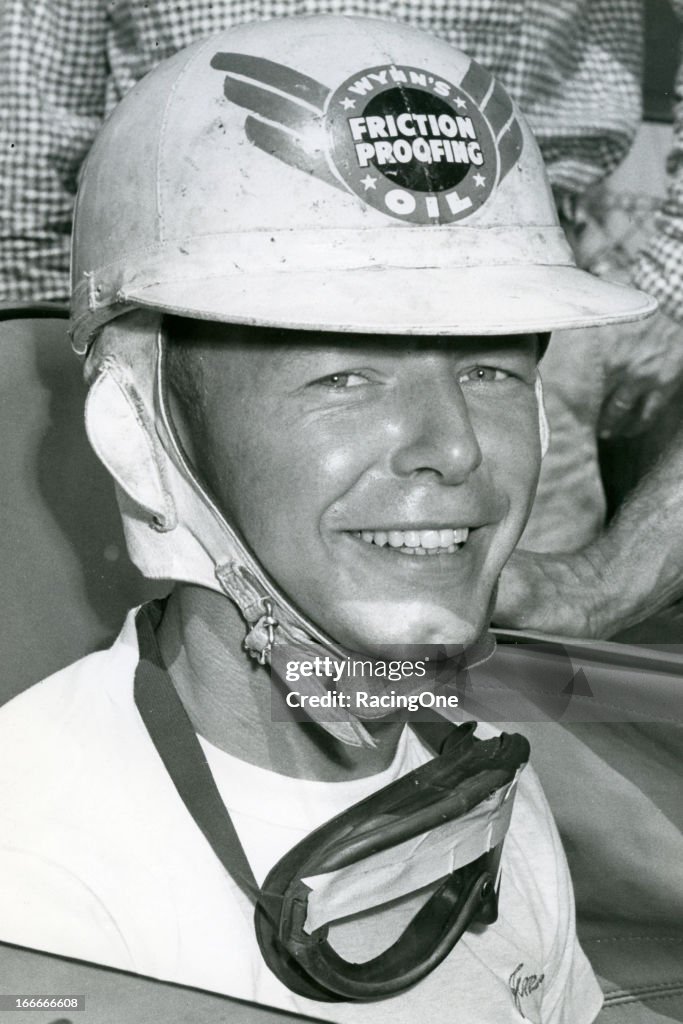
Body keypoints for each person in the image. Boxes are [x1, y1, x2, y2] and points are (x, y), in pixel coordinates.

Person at [0, 16, 656, 1022]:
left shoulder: (488, 789)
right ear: (140, 432)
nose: (450, 447)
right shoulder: (39, 864)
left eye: (488, 369)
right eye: (341, 374)